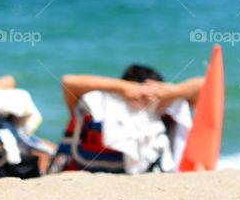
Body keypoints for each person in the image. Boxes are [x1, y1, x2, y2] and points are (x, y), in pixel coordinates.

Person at [53, 64, 204, 173]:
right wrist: (123, 88)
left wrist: (173, 92)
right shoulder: (96, 111)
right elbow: (68, 81)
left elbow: (204, 86)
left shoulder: (163, 114)